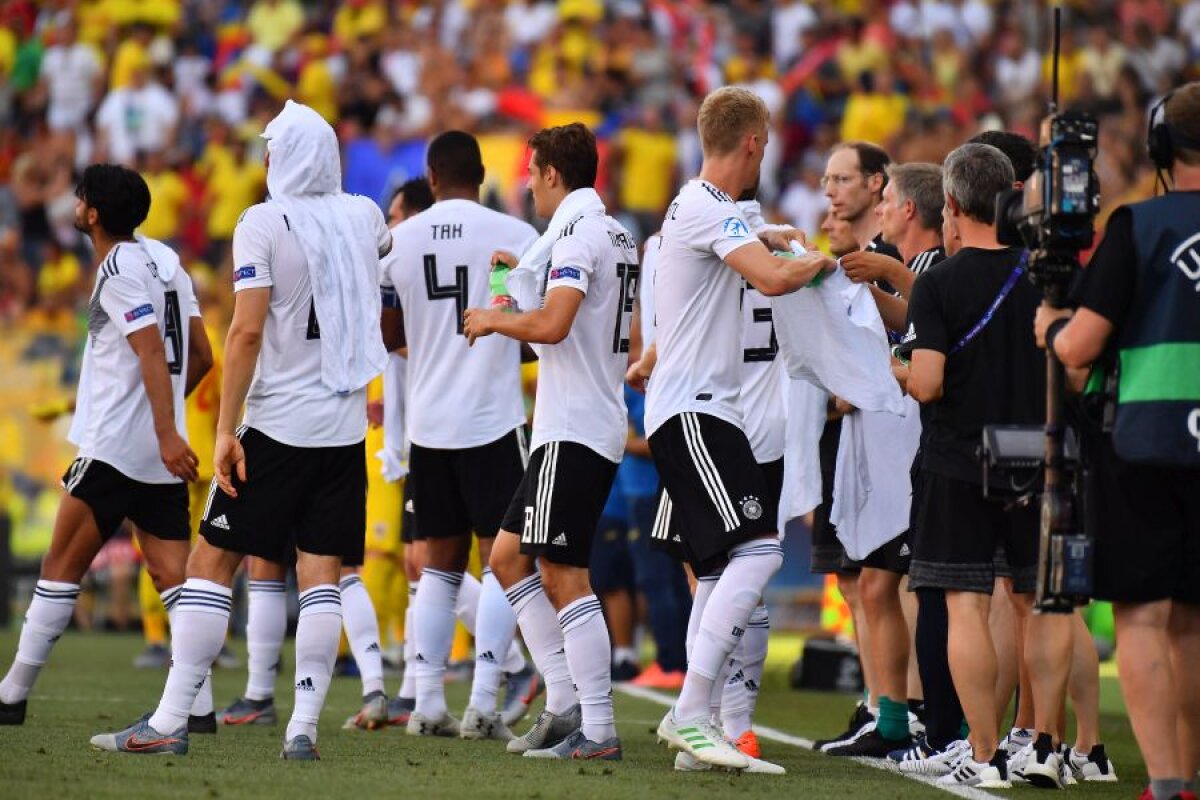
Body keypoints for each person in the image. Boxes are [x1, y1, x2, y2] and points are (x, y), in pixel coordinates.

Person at [91, 100, 393, 761]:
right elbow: (379, 260)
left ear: (291, 156)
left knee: (209, 565)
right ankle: (302, 731)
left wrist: (227, 428)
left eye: (272, 149)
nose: (263, 160)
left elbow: (247, 330)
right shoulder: (365, 215)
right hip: (341, 431)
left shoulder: (262, 221)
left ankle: (170, 722)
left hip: (279, 423)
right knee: (320, 576)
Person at [625, 86, 830, 770]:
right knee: (760, 552)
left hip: (708, 410)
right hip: (694, 409)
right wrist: (819, 262)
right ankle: (691, 714)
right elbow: (771, 282)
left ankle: (703, 729)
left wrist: (771, 238)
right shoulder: (703, 205)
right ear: (752, 141)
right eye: (766, 138)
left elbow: (745, 254)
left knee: (715, 566)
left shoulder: (701, 210)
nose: (767, 148)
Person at [0, 164, 212, 727]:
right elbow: (202, 357)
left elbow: (147, 350)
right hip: (154, 454)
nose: (74, 203)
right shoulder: (168, 261)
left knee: (58, 567)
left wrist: (160, 428)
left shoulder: (116, 268)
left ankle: (12, 695)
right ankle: (202, 706)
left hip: (115, 446)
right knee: (174, 579)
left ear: (93, 213)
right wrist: (164, 425)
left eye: (80, 197)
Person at [1034, 82, 1200, 800]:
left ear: (1161, 148)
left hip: (1148, 442)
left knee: (1143, 618)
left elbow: (1080, 347)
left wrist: (1050, 324)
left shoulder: (1141, 224)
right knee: (1194, 622)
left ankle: (1168, 785)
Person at [463, 121, 638, 761]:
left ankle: (597, 726)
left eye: (531, 174)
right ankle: (565, 706)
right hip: (572, 423)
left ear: (553, 175)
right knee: (508, 559)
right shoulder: (609, 231)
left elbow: (556, 327)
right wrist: (521, 287)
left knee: (565, 573)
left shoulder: (580, 235)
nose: (527, 186)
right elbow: (558, 332)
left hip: (576, 426)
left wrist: (494, 316)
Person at [903, 142, 1071, 788]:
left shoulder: (939, 283)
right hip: (1041, 457)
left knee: (967, 606)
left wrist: (903, 374)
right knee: (1040, 602)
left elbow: (928, 383)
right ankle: (1044, 744)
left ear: (950, 204)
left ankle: (982, 752)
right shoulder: (1045, 274)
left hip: (959, 460)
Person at [379, 130, 538, 740]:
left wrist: (433, 350)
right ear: (479, 175)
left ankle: (425, 704)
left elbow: (390, 332)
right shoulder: (515, 235)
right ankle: (481, 704)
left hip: (429, 421)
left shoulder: (400, 239)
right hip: (492, 418)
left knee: (438, 568)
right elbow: (530, 331)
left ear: (432, 174)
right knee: (501, 563)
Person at [824, 162, 946, 761]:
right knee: (875, 585)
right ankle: (891, 714)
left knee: (906, 589)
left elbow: (942, 320)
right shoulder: (912, 272)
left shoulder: (933, 269)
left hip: (922, 451)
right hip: (893, 454)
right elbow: (907, 328)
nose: (879, 209)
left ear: (907, 211)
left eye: (888, 199)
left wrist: (885, 276)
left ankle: (918, 713)